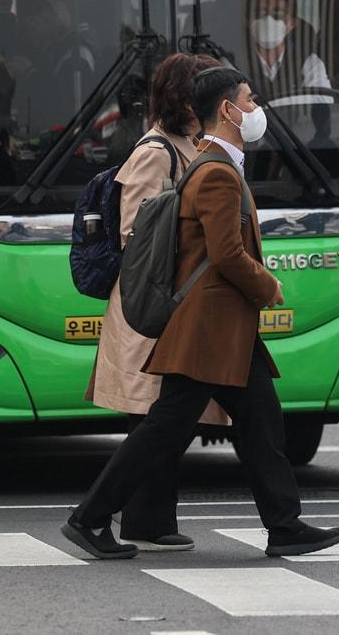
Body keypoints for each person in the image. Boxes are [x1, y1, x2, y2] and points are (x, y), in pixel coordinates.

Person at [61, 67, 339, 560]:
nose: (256, 109)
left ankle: (285, 525)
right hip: (207, 330)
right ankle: (88, 519)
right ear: (228, 110)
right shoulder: (215, 171)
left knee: (260, 422)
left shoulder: (213, 163)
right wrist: (268, 285)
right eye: (249, 100)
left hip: (224, 328)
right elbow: (226, 253)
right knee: (163, 430)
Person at [84, 52, 223, 551]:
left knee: (164, 418)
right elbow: (135, 234)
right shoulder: (155, 151)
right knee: (154, 417)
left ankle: (150, 519)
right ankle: (137, 518)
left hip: (175, 302)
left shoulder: (189, 145)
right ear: (185, 98)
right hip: (152, 303)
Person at [239, 0, 329, 104]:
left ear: (292, 23)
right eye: (260, 13)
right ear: (247, 20)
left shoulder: (309, 61)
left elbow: (323, 101)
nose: (268, 20)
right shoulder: (234, 63)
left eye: (278, 13)